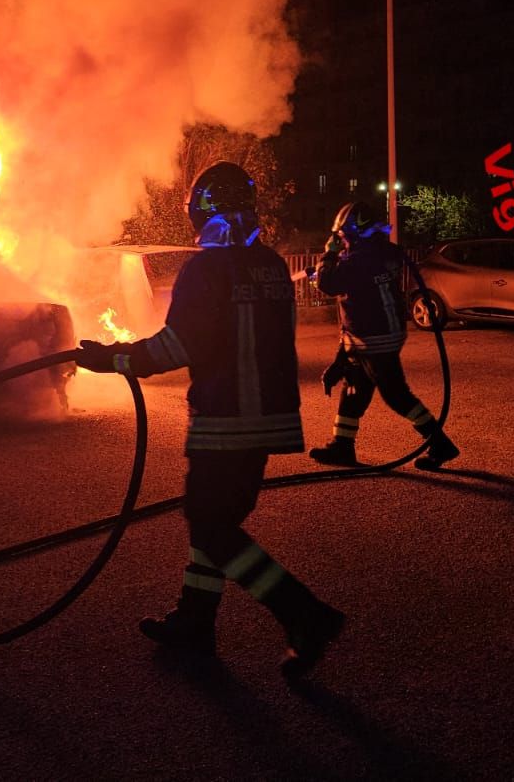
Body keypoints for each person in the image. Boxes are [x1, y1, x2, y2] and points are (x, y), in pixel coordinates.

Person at [77, 161, 345, 681]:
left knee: (211, 526)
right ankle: (196, 620)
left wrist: (111, 359)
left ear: (202, 211)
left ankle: (304, 615)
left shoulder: (205, 269)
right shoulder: (269, 264)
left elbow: (175, 346)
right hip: (268, 422)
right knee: (216, 522)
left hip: (225, 422)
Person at [310, 201, 458, 471]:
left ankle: (440, 443)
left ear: (354, 231)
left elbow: (327, 283)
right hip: (378, 334)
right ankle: (342, 446)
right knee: (355, 388)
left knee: (396, 395)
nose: (340, 241)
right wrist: (341, 357)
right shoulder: (383, 253)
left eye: (342, 236)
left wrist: (327, 256)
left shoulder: (358, 259)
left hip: (374, 338)